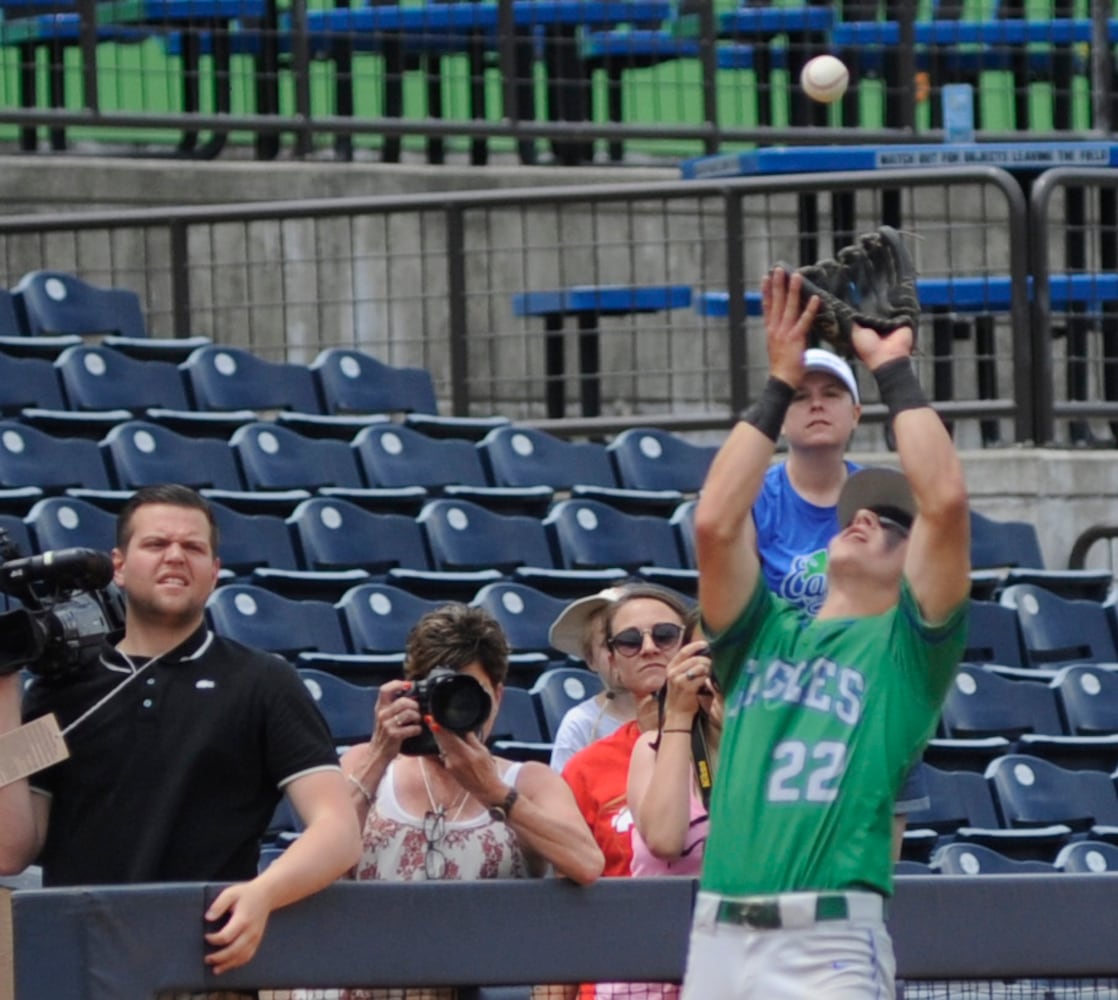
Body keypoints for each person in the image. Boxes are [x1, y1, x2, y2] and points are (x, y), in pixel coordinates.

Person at [682, 268, 969, 999]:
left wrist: (892, 368)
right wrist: (777, 386)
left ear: (918, 568)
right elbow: (714, 523)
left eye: (891, 521)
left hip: (827, 944)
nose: (865, 516)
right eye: (856, 513)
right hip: (715, 935)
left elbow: (945, 500)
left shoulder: (909, 657)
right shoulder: (764, 635)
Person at [0, 483, 361, 982]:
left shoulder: (263, 681)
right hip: (81, 965)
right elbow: (10, 847)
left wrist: (264, 893)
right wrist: (5, 681)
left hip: (204, 965)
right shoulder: (58, 690)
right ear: (119, 566)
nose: (175, 557)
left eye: (193, 547)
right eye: (155, 544)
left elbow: (338, 832)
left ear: (215, 572)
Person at [334, 602, 604, 999]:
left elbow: (587, 863)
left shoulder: (528, 781)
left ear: (497, 697)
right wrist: (379, 754)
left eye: (467, 695)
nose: (452, 710)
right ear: (413, 693)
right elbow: (320, 854)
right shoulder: (365, 762)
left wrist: (495, 793)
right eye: (439, 694)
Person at [751, 346, 931, 855]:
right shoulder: (756, 498)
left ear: (855, 413)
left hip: (870, 695)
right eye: (801, 396)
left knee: (875, 867)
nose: (816, 405)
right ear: (780, 418)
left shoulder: (882, 495)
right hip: (781, 703)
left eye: (832, 394)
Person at [560, 584, 694, 878]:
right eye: (630, 641)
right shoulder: (585, 769)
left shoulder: (734, 742)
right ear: (613, 662)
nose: (649, 648)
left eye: (665, 635)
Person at [547, 585, 637, 773]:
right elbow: (563, 798)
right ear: (590, 659)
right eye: (608, 644)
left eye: (631, 640)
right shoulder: (580, 724)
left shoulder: (687, 711)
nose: (620, 653)